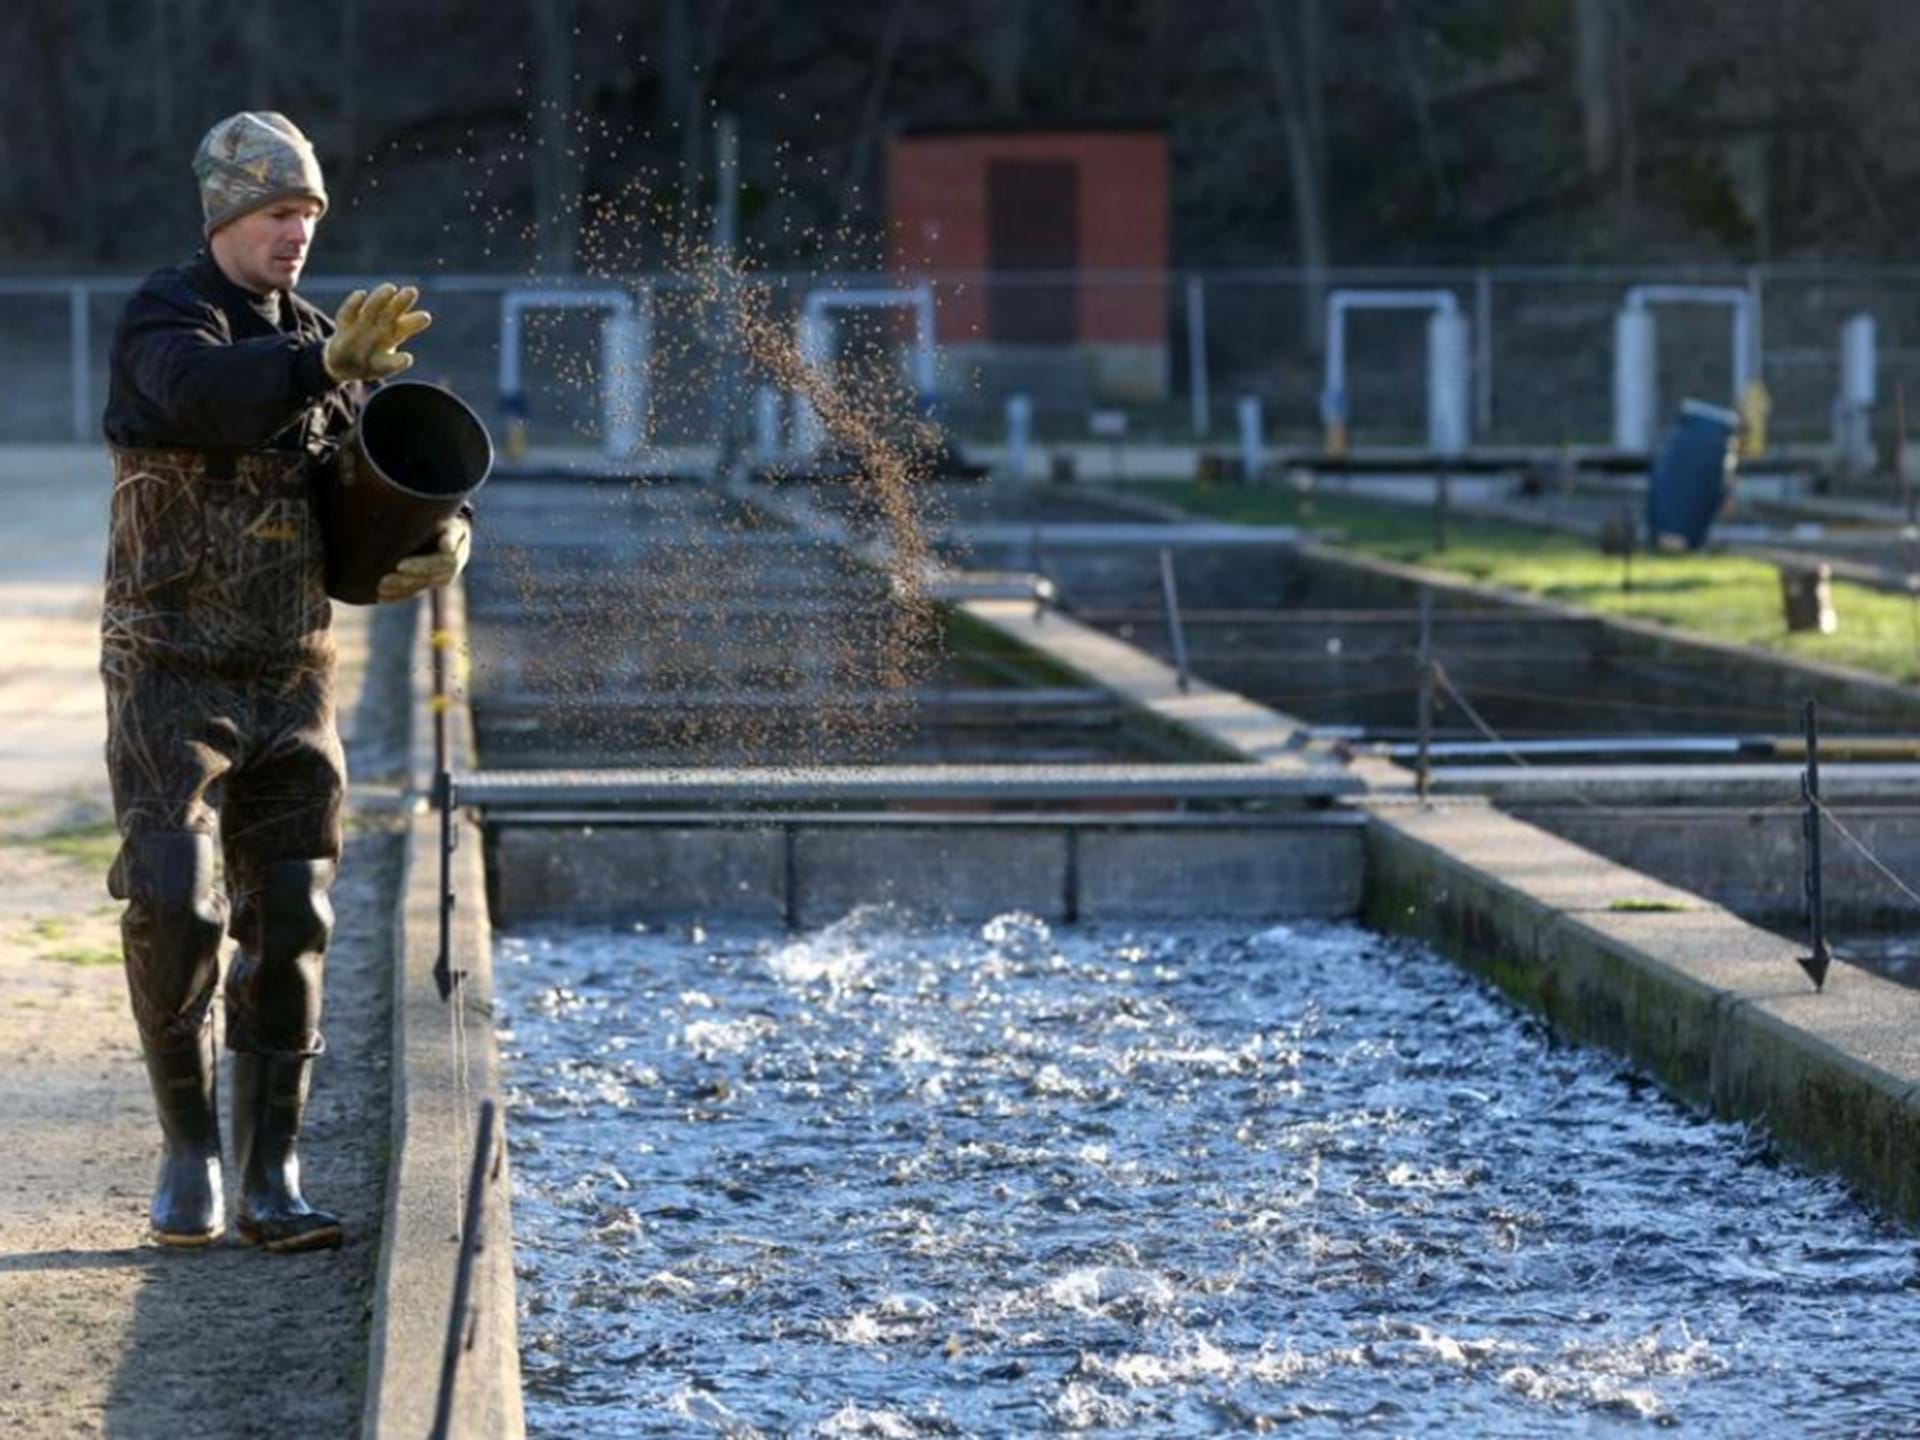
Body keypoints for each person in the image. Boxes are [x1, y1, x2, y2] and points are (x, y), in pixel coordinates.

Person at [101, 111, 469, 1251]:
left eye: (309, 213)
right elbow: (210, 395)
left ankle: (276, 1175)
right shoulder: (167, 316)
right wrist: (321, 365)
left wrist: (438, 532)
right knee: (175, 900)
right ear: (225, 217)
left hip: (295, 674)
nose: (297, 232)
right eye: (277, 212)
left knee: (293, 918)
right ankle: (189, 1151)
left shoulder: (327, 340)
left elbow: (366, 502)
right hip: (167, 669)